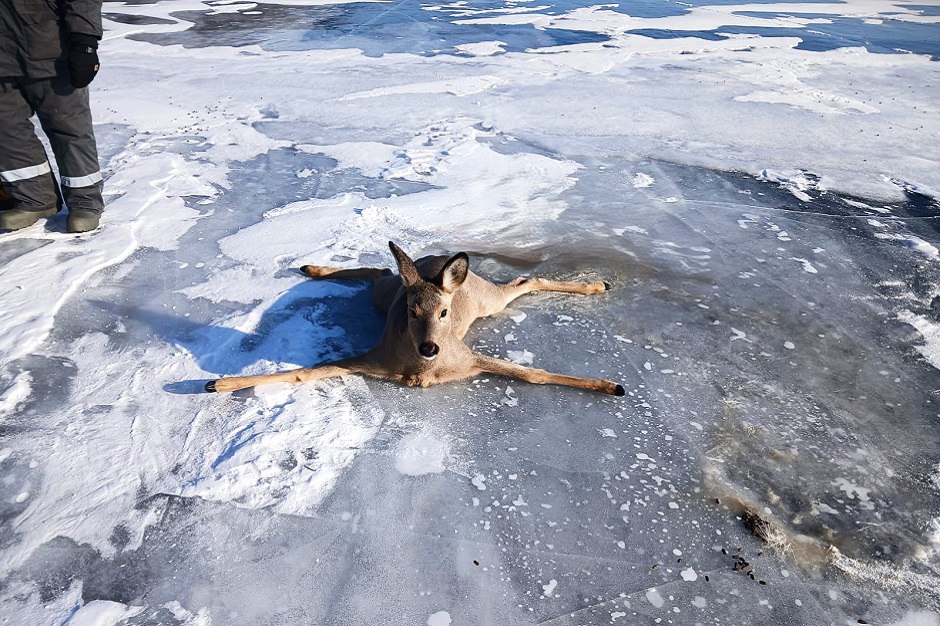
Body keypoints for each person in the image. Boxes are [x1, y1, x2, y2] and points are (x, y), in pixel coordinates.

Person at [0, 0, 104, 233]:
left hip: (50, 49)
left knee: (69, 127)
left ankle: (85, 202)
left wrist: (85, 40)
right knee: (5, 129)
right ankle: (34, 198)